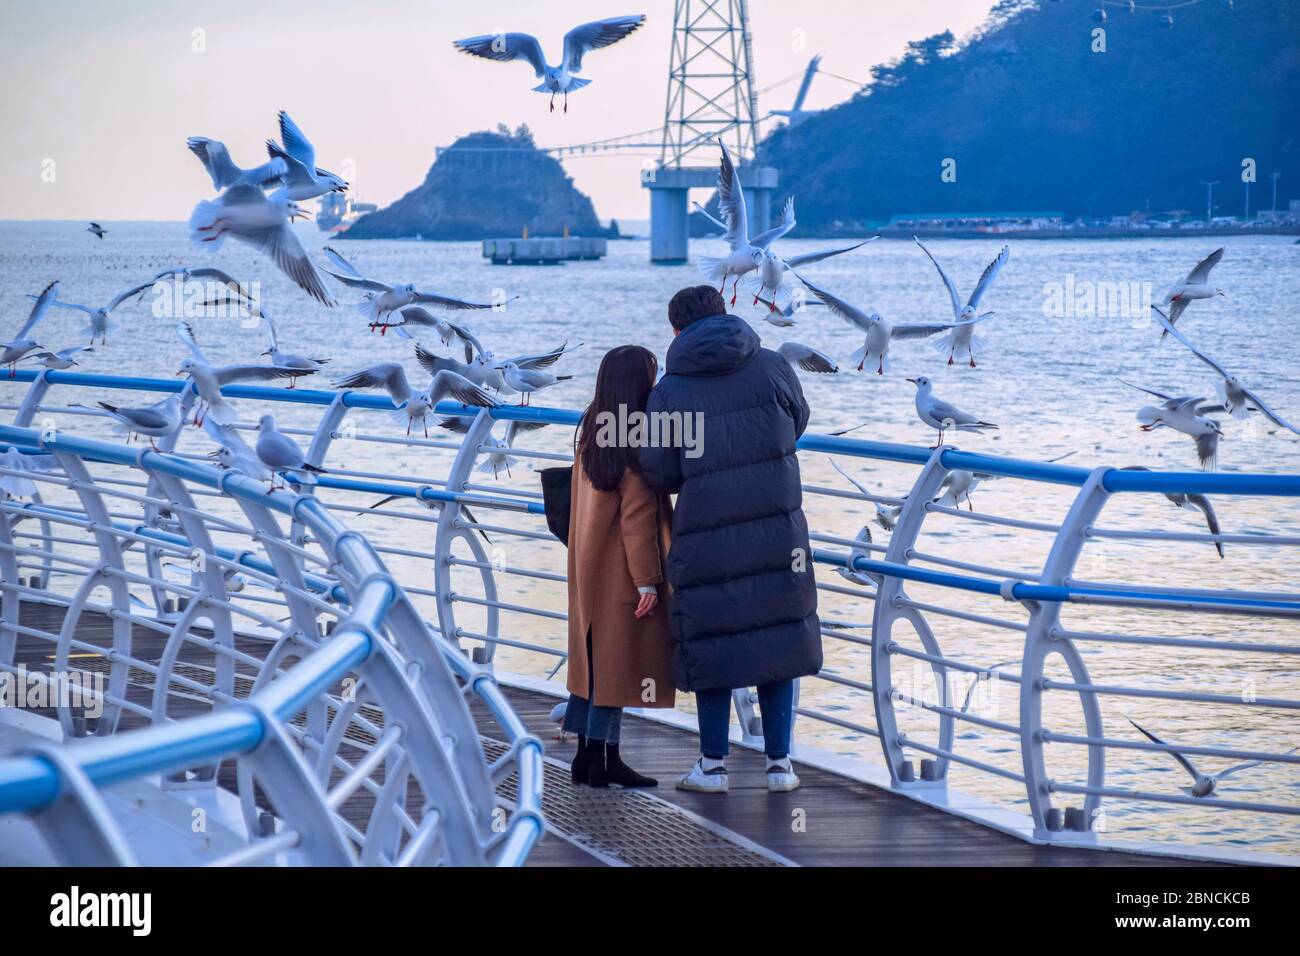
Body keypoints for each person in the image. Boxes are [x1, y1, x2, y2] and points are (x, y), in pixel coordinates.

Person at [640, 285, 821, 794]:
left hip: (706, 533)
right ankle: (780, 765)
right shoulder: (772, 366)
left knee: (711, 638)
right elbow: (797, 422)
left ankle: (713, 767)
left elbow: (658, 470)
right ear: (725, 314)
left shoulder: (671, 390)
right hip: (777, 526)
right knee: (779, 634)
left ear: (677, 331)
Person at [563, 345, 676, 787]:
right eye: (650, 376)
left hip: (587, 567)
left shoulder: (593, 425)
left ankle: (585, 756)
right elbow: (636, 521)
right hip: (620, 572)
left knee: (592, 661)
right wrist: (649, 582)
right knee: (615, 664)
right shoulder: (634, 442)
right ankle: (606, 761)